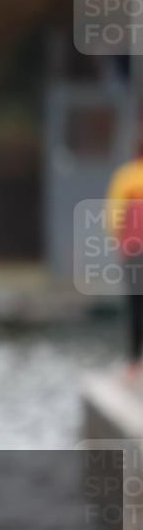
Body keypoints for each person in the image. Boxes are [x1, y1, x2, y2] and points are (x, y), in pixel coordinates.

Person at [105, 123, 143, 385]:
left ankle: (133, 364)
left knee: (135, 305)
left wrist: (119, 243)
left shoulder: (126, 177)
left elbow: (115, 214)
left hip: (134, 250)